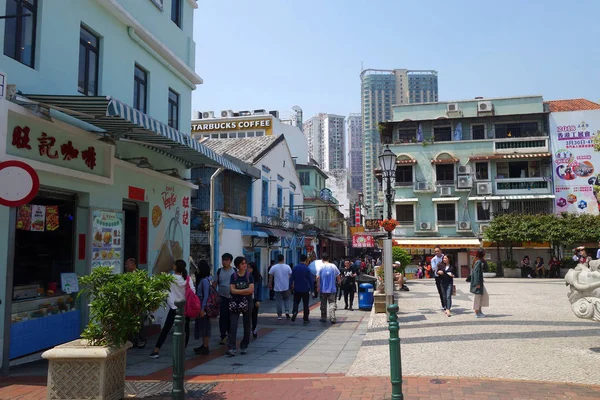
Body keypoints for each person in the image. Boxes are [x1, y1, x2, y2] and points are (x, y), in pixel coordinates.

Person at [150, 260, 193, 358]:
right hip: (185, 307)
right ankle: (182, 350)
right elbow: (193, 291)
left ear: (175, 267)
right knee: (186, 330)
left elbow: (163, 290)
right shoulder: (187, 279)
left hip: (173, 307)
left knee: (166, 329)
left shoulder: (169, 278)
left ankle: (156, 350)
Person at [227, 256, 255, 357]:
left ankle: (244, 345)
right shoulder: (233, 276)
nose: (245, 265)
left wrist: (239, 291)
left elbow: (251, 289)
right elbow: (232, 290)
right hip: (235, 302)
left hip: (247, 301)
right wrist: (244, 291)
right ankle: (232, 347)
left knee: (247, 324)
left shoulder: (249, 276)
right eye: (242, 263)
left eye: (245, 263)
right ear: (238, 265)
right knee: (233, 325)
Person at [193, 260, 212, 355]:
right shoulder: (203, 279)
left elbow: (206, 296)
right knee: (202, 326)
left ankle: (206, 346)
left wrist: (202, 309)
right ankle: (203, 345)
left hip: (203, 307)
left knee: (205, 327)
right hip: (200, 305)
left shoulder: (204, 281)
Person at [217, 253, 236, 346]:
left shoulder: (234, 271)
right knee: (223, 317)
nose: (224, 262)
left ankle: (230, 334)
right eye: (223, 260)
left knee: (231, 317)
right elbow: (215, 283)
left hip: (232, 298)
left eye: (226, 260)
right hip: (222, 297)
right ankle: (223, 335)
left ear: (230, 261)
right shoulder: (219, 271)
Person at [317, 253, 341, 324]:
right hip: (332, 289)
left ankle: (323, 317)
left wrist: (318, 286)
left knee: (323, 304)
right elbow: (338, 275)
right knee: (332, 303)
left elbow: (317, 277)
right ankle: (332, 317)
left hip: (323, 289)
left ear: (322, 259)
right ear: (328, 258)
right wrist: (339, 282)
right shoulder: (333, 266)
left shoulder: (320, 267)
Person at [290, 254, 313, 323]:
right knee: (305, 303)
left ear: (299, 259)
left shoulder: (295, 268)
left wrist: (290, 286)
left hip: (297, 288)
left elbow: (291, 278)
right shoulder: (307, 269)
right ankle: (305, 318)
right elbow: (311, 280)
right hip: (305, 289)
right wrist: (313, 290)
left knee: (296, 301)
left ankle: (294, 312)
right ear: (306, 260)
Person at [268, 254, 292, 320]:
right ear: (283, 259)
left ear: (277, 259)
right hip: (286, 287)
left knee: (278, 301)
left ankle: (279, 315)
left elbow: (270, 276)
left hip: (277, 287)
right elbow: (290, 275)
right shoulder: (287, 267)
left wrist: (270, 283)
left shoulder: (274, 267)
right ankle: (287, 311)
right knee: (286, 299)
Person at [470, 249, 489, 318]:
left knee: (482, 296)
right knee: (478, 297)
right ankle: (477, 312)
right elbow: (476, 273)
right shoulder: (478, 262)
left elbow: (486, 269)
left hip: (479, 282)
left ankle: (479, 311)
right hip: (478, 283)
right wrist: (477, 283)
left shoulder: (479, 261)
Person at [247, 262, 263, 339]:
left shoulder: (258, 277)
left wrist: (259, 300)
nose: (248, 269)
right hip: (246, 298)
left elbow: (260, 289)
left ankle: (254, 329)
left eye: (250, 267)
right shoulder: (245, 276)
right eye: (247, 267)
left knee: (254, 315)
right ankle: (247, 329)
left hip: (255, 298)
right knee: (247, 315)